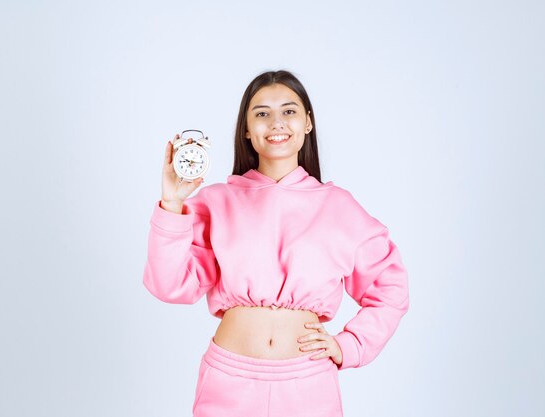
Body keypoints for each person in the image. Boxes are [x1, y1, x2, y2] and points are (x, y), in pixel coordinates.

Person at [142, 70, 410, 417]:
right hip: (229, 382)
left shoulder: (339, 207)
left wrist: (350, 345)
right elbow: (168, 285)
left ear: (308, 123)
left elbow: (390, 288)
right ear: (246, 130)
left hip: (308, 385)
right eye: (261, 113)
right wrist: (172, 204)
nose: (276, 123)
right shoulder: (217, 202)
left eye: (289, 111)